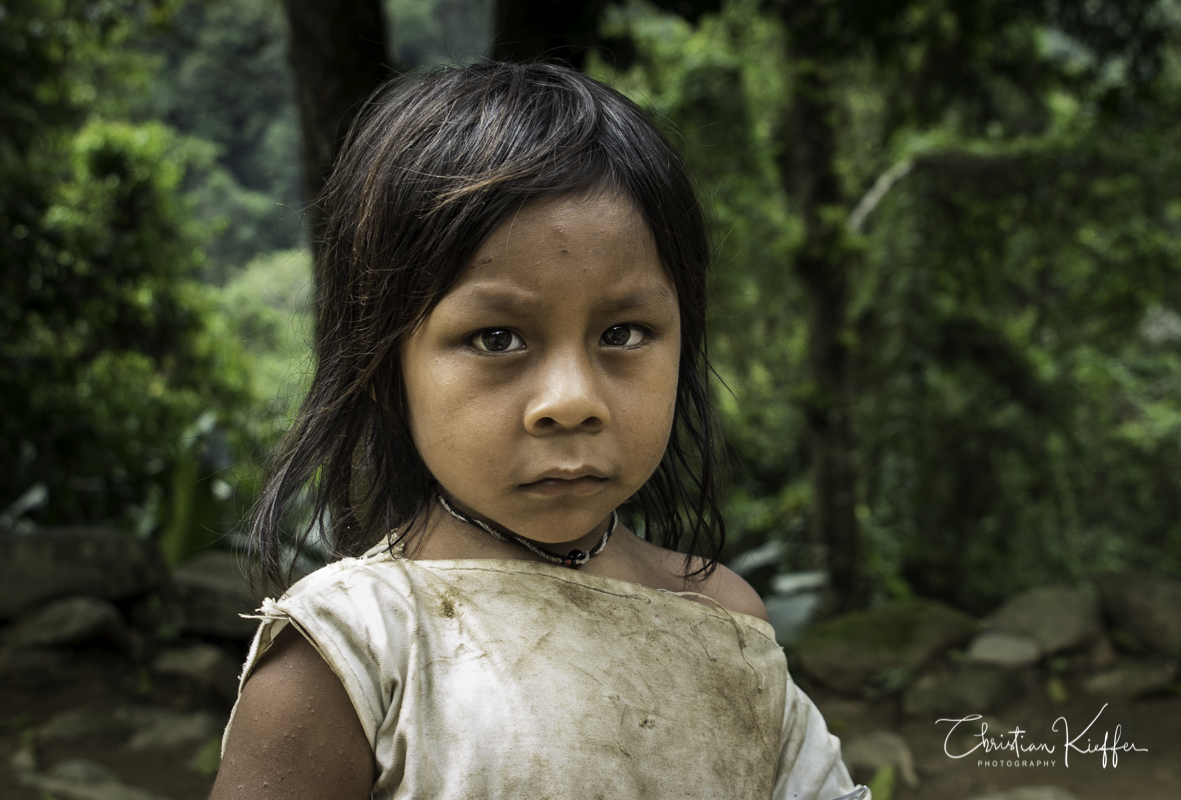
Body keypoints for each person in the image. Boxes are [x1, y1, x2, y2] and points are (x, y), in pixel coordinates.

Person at [211, 62, 867, 800]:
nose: (571, 400)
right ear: (386, 363)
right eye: (497, 338)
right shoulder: (354, 651)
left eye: (623, 332)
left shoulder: (724, 625)